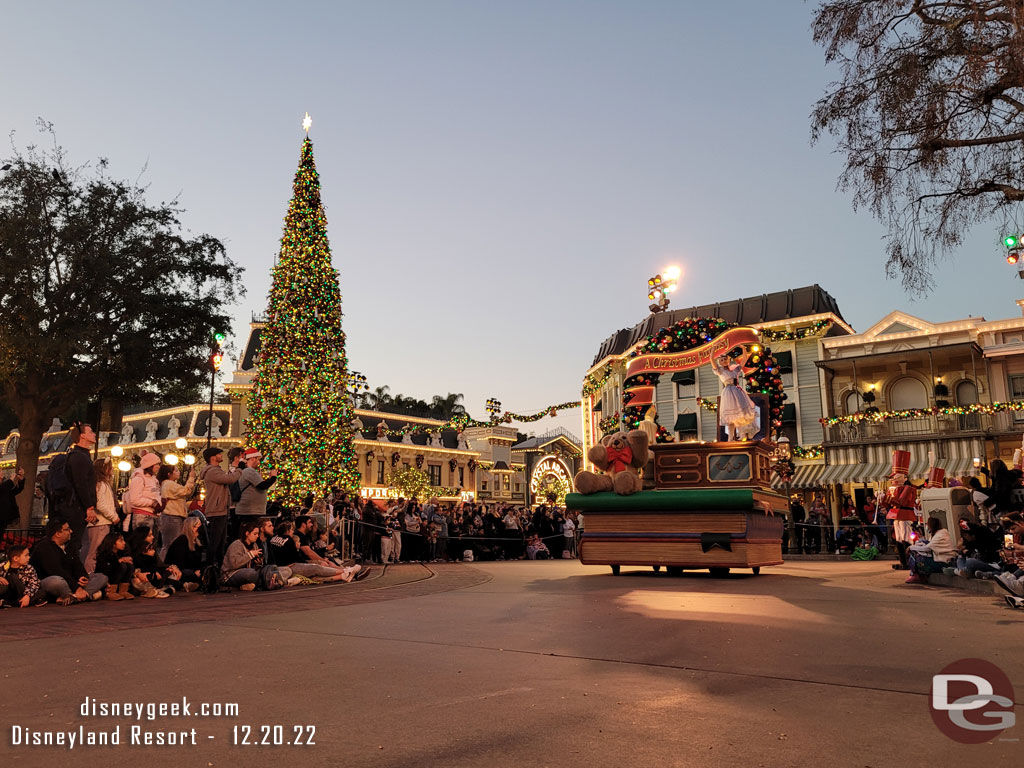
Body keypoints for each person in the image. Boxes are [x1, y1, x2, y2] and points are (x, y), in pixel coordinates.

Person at [31, 519, 109, 604]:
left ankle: (74, 597)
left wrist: (82, 577)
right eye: (67, 529)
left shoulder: (70, 545)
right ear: (58, 534)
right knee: (56, 581)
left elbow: (77, 564)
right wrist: (77, 588)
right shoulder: (44, 547)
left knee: (101, 577)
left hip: (71, 581)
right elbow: (56, 571)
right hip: (52, 580)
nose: (71, 531)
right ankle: (85, 595)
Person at [51, 422, 99, 557]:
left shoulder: (80, 456)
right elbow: (81, 484)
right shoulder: (79, 457)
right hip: (75, 508)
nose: (94, 434)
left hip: (75, 506)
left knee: (76, 543)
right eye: (91, 432)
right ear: (83, 436)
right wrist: (89, 506)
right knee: (74, 543)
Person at [270, 518, 364, 581]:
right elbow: (298, 557)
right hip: (289, 566)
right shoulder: (290, 539)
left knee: (320, 568)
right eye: (291, 530)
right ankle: (346, 571)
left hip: (283, 565)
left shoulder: (274, 538)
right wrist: (309, 563)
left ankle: (344, 575)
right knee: (316, 568)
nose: (292, 532)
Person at [200, 447, 240, 565]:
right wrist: (239, 469)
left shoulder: (216, 470)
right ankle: (210, 569)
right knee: (215, 543)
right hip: (216, 510)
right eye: (219, 454)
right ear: (213, 458)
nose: (221, 456)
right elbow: (230, 479)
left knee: (220, 543)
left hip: (220, 510)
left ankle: (217, 569)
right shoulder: (212, 471)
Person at [82, 458, 119, 574]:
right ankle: (89, 575)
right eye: (110, 467)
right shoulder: (101, 484)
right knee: (95, 552)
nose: (112, 469)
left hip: (102, 522)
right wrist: (113, 516)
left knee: (94, 551)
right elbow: (100, 503)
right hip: (101, 523)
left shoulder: (101, 484)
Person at [712, 352, 758, 441]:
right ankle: (730, 438)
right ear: (720, 363)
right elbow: (712, 361)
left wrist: (743, 349)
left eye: (725, 359)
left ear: (728, 360)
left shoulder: (734, 370)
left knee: (740, 413)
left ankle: (742, 434)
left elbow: (744, 360)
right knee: (730, 417)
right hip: (728, 392)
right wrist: (713, 350)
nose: (724, 361)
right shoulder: (720, 371)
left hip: (736, 391)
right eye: (721, 360)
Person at [158, 464, 195, 560]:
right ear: (169, 474)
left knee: (168, 545)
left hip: (171, 517)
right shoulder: (169, 485)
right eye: (176, 471)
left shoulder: (167, 484)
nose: (178, 472)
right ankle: (164, 565)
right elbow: (186, 491)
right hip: (172, 517)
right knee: (170, 545)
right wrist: (191, 478)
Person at [905, 518, 956, 584]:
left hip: (943, 561)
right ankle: (917, 575)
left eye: (927, 525)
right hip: (937, 558)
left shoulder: (941, 535)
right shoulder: (935, 535)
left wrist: (911, 547)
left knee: (917, 558)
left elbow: (927, 548)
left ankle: (916, 575)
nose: (927, 526)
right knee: (920, 544)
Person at [165, 516, 207, 586]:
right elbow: (179, 563)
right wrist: (194, 573)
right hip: (178, 569)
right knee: (188, 573)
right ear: (192, 527)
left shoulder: (197, 542)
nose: (200, 528)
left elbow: (198, 562)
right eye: (198, 526)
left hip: (191, 569)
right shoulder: (181, 540)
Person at [93, 531, 135, 600]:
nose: (124, 543)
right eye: (121, 541)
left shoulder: (120, 552)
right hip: (106, 581)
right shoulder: (104, 555)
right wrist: (118, 561)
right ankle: (111, 591)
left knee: (129, 565)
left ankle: (123, 590)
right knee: (121, 566)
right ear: (112, 543)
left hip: (117, 580)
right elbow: (105, 570)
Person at [222, 520, 263, 590]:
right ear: (247, 533)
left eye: (258, 534)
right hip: (231, 574)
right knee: (251, 574)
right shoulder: (236, 544)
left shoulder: (255, 545)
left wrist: (258, 563)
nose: (257, 536)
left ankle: (248, 585)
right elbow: (234, 564)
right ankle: (264, 582)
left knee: (272, 569)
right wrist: (251, 554)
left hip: (248, 571)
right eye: (255, 534)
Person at [127, 453, 164, 530]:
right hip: (143, 516)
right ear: (150, 465)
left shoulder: (154, 480)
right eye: (157, 464)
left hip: (154, 515)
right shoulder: (139, 479)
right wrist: (152, 503)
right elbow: (135, 500)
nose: (158, 466)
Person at [0, 466, 26, 536]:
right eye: (0, 471)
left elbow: (16, 490)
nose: (2, 473)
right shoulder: (4, 486)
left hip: (4, 516)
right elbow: (4, 488)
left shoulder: (5, 485)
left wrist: (21, 479)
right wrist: (11, 479)